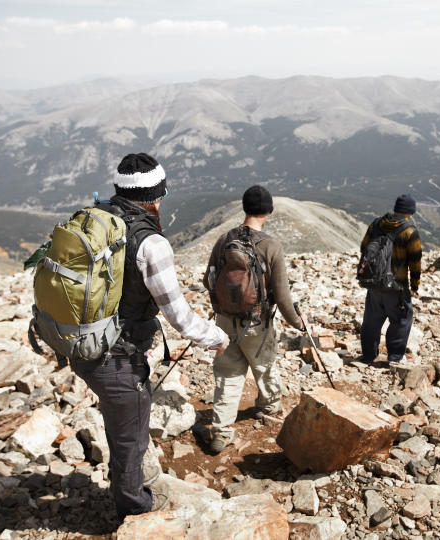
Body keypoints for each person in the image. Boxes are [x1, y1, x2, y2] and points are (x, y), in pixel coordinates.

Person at [70, 153, 229, 520]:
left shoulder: (97, 218)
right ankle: (135, 506)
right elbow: (180, 318)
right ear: (157, 196)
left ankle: (129, 481)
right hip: (116, 354)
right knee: (131, 438)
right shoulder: (150, 243)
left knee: (122, 423)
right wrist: (216, 336)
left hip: (79, 340)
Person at [204, 185, 305, 453]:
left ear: (245, 208)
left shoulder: (225, 239)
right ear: (269, 212)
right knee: (265, 365)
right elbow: (282, 296)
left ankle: (222, 431)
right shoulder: (271, 245)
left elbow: (208, 279)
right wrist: (297, 322)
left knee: (227, 374)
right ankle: (268, 405)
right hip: (257, 323)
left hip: (224, 322)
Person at [359, 194, 423, 364]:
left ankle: (367, 355)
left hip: (373, 283)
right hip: (396, 286)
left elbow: (364, 247)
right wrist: (415, 285)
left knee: (371, 321)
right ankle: (395, 357)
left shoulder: (377, 224)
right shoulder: (410, 231)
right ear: (410, 212)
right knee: (401, 320)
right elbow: (415, 261)